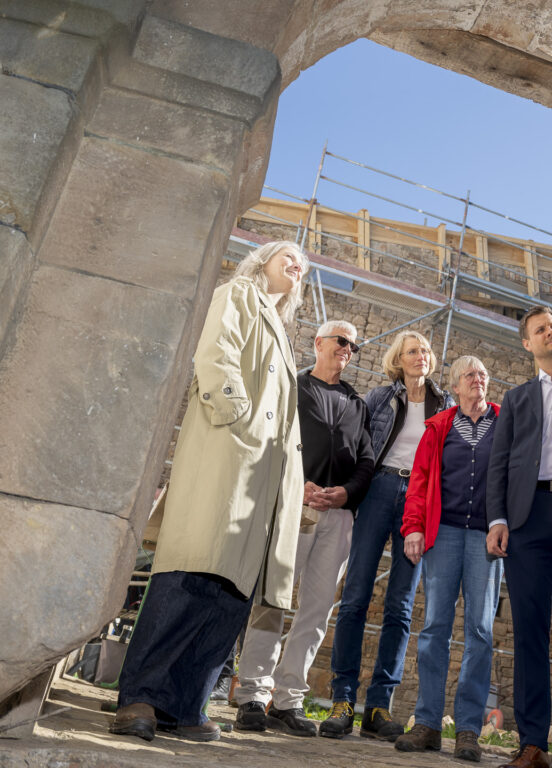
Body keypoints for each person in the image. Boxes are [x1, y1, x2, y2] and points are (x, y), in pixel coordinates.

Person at [109, 240, 309, 742]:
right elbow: (216, 348)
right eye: (289, 254)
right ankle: (140, 698)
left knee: (229, 594)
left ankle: (184, 707)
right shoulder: (240, 291)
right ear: (262, 259)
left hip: (261, 477)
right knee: (191, 574)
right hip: (231, 454)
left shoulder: (282, 331)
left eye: (303, 265)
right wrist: (234, 415)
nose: (298, 264)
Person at [234, 319, 374, 736]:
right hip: (293, 507)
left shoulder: (357, 403)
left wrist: (345, 494)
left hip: (338, 516)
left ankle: (288, 699)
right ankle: (253, 696)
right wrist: (299, 485)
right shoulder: (293, 387)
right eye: (340, 341)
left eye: (354, 345)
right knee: (273, 599)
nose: (347, 349)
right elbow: (273, 441)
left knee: (315, 610)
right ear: (318, 343)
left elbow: (366, 461)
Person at [320, 331, 454, 740]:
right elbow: (360, 447)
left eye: (426, 351)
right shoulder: (379, 398)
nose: (421, 356)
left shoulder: (445, 405)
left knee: (400, 604)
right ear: (399, 359)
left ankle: (379, 707)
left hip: (418, 500)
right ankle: (343, 698)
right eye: (413, 351)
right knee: (356, 593)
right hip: (379, 490)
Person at [486, 306, 552, 768]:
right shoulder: (517, 398)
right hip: (527, 517)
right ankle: (533, 744)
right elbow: (499, 461)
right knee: (529, 629)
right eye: (540, 329)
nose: (551, 331)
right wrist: (497, 519)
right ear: (527, 343)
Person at [394, 356, 503, 763]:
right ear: (455, 387)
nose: (478, 380)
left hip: (486, 538)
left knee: (480, 629)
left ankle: (469, 731)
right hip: (444, 534)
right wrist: (414, 527)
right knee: (435, 626)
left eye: (483, 375)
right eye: (470, 376)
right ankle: (426, 723)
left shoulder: (502, 423)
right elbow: (420, 479)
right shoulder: (438, 427)